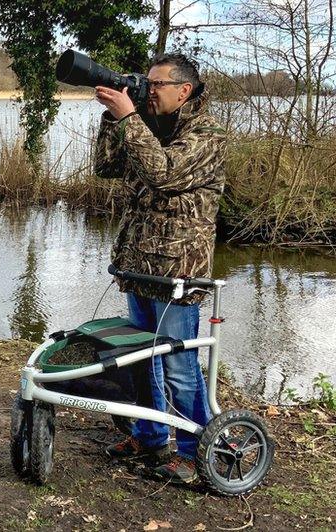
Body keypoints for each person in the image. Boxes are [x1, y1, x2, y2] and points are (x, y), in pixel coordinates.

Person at [90, 53, 226, 484]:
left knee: (180, 367)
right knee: (142, 359)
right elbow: (106, 168)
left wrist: (130, 118)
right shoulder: (146, 127)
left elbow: (164, 174)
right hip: (139, 266)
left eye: (157, 85)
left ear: (184, 90)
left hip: (178, 274)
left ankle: (193, 452)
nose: (149, 91)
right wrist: (115, 119)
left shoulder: (209, 135)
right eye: (146, 83)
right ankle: (150, 438)